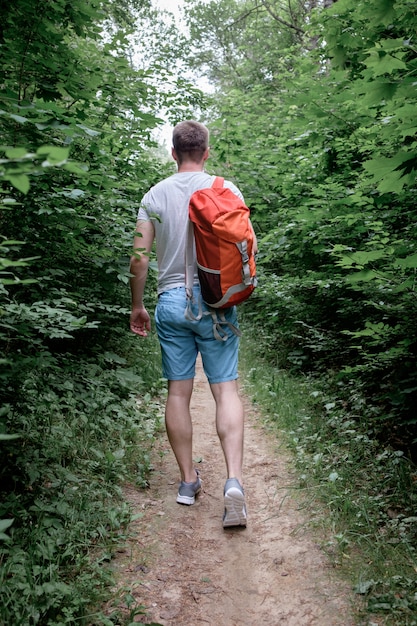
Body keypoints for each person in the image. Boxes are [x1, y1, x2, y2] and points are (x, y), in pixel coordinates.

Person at [129, 120, 256, 528]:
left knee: (178, 394)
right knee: (226, 390)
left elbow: (139, 258)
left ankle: (187, 481)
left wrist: (137, 305)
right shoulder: (226, 189)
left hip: (169, 303)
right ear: (206, 151)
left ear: (173, 152)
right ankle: (233, 480)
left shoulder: (154, 195)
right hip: (216, 302)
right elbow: (245, 244)